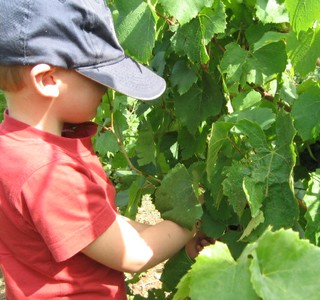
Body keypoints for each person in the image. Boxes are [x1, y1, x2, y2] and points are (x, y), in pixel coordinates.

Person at [0, 1, 209, 299]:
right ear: (47, 80)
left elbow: (100, 227)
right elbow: (133, 255)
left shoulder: (13, 148)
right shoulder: (47, 171)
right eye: (95, 77)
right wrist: (190, 220)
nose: (106, 89)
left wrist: (173, 235)